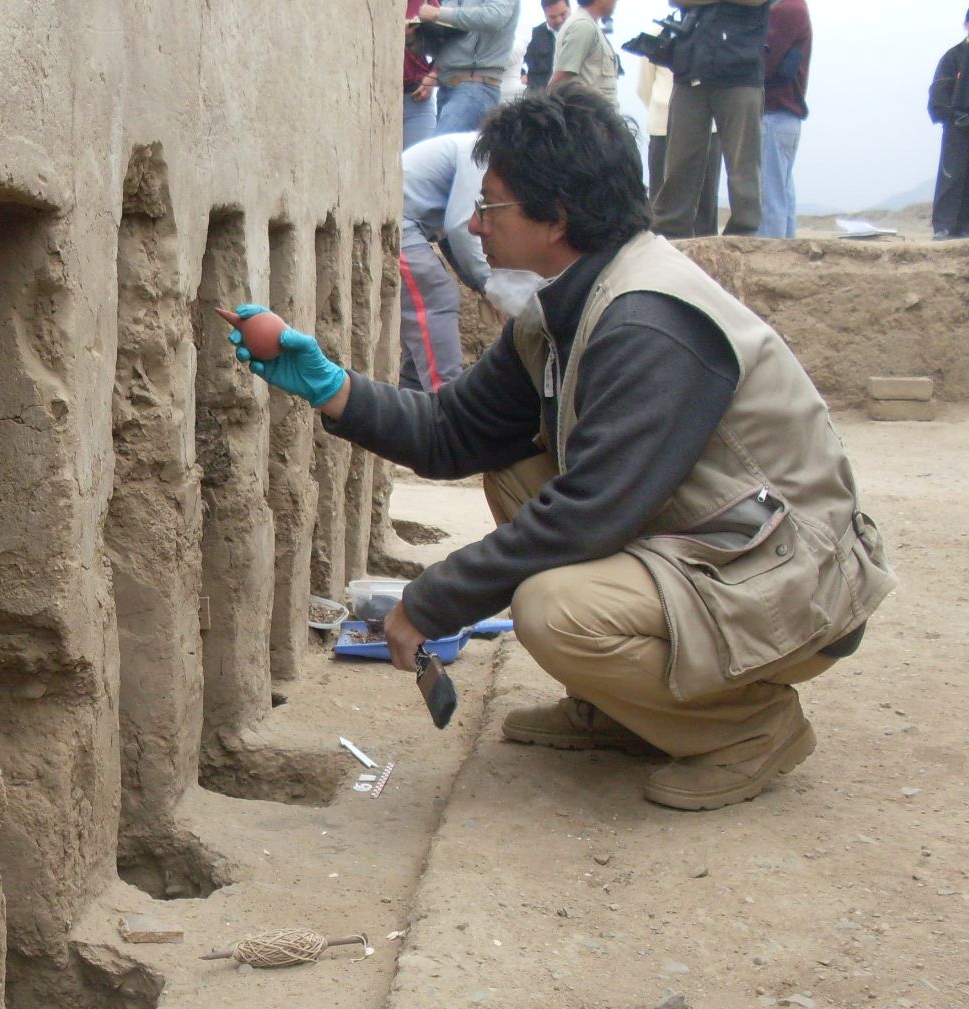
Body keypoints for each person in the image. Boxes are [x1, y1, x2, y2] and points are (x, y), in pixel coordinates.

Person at [225, 86, 893, 812]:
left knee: (554, 609)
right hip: (717, 548)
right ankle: (622, 705)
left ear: (558, 215)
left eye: (492, 207)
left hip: (793, 587)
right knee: (514, 468)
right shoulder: (563, 309)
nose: (474, 225)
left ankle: (749, 730)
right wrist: (331, 388)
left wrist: (431, 601)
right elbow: (455, 432)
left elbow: (588, 515)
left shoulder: (650, 321)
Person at [655, 0, 771, 238]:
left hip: (741, 70)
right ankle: (670, 234)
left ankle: (743, 235)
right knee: (680, 161)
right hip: (690, 68)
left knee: (743, 163)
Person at [397, 132, 491, 391]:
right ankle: (445, 403)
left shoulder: (475, 148)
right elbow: (461, 226)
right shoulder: (481, 155)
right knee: (436, 297)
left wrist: (478, 284)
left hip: (409, 224)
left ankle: (414, 409)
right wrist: (488, 284)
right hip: (398, 225)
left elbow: (450, 233)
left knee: (421, 338)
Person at [639, 57, 720, 232]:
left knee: (704, 202)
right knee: (663, 200)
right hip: (665, 127)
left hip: (703, 127)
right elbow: (643, 87)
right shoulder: (657, 32)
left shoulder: (710, 31)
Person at [417, 0, 522, 135]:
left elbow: (493, 17)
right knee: (446, 151)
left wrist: (439, 13)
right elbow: (452, 42)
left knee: (440, 150)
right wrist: (415, 39)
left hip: (475, 87)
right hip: (451, 88)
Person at [757, 0, 812, 238]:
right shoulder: (794, 7)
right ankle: (785, 253)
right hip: (784, 115)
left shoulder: (787, 8)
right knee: (781, 192)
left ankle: (770, 254)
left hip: (775, 113)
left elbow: (765, 62)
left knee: (770, 195)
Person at [930, 9, 969, 240]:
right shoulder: (953, 56)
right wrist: (952, 117)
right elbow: (938, 94)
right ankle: (944, 226)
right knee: (951, 175)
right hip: (956, 128)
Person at [551, 0, 621, 104]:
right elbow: (558, 82)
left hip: (598, 117)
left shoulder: (590, 26)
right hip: (588, 116)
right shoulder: (583, 26)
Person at [404, 0, 441, 147]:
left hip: (416, 96)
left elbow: (447, 39)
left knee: (419, 165)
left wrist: (434, 74)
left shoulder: (426, 2)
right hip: (377, 96)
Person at [523, 0, 571, 93]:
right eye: (553, 17)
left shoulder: (581, 33)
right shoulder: (532, 36)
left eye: (563, 14)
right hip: (539, 98)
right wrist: (522, 73)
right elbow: (518, 59)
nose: (559, 20)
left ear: (570, 9)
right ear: (544, 14)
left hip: (571, 97)